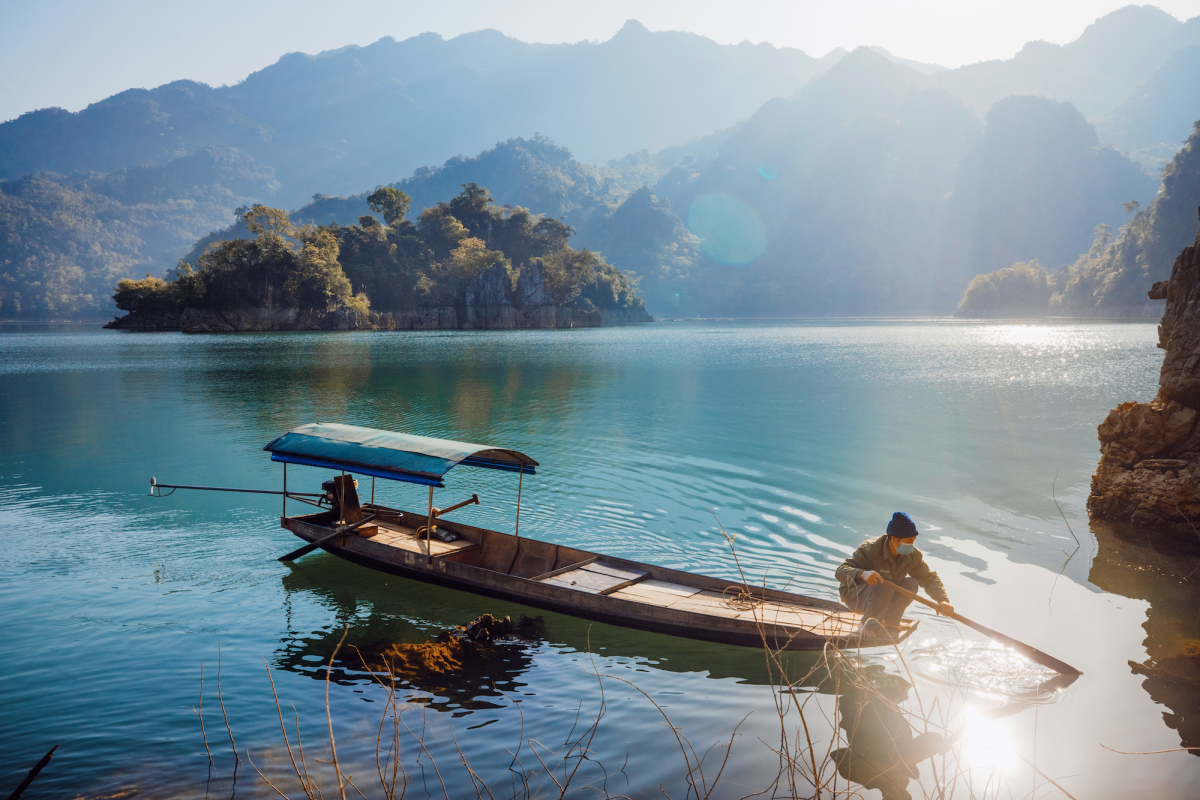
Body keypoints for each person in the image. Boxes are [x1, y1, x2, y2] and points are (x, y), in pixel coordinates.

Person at [836, 512, 953, 637]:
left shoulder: (912, 555)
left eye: (913, 541)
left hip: (884, 596)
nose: (911, 545)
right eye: (908, 541)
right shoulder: (870, 549)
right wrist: (862, 573)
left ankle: (890, 621)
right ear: (894, 538)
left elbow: (928, 577)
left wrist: (942, 600)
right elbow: (840, 571)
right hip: (857, 597)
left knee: (911, 584)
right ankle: (867, 624)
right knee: (884, 585)